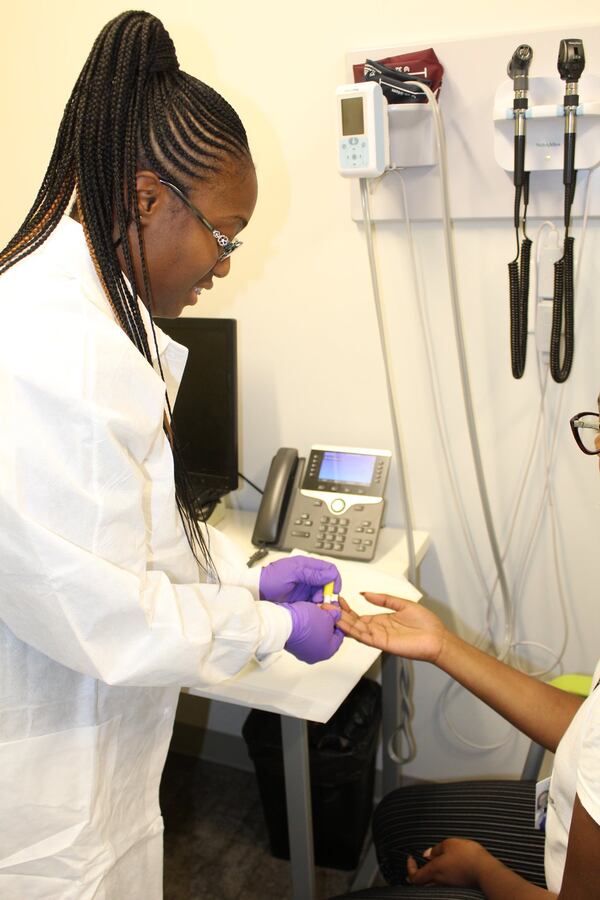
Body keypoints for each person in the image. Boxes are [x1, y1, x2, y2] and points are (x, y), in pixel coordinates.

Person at [0, 11, 343, 899]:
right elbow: (103, 614)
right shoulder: (42, 346)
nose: (226, 265)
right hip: (37, 796)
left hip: (96, 763)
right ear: (148, 197)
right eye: (225, 236)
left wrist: (241, 584)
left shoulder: (104, 323)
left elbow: (131, 541)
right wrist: (267, 627)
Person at [333, 406, 600, 899]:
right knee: (396, 817)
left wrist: (481, 871)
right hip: (571, 823)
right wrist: (441, 646)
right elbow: (590, 730)